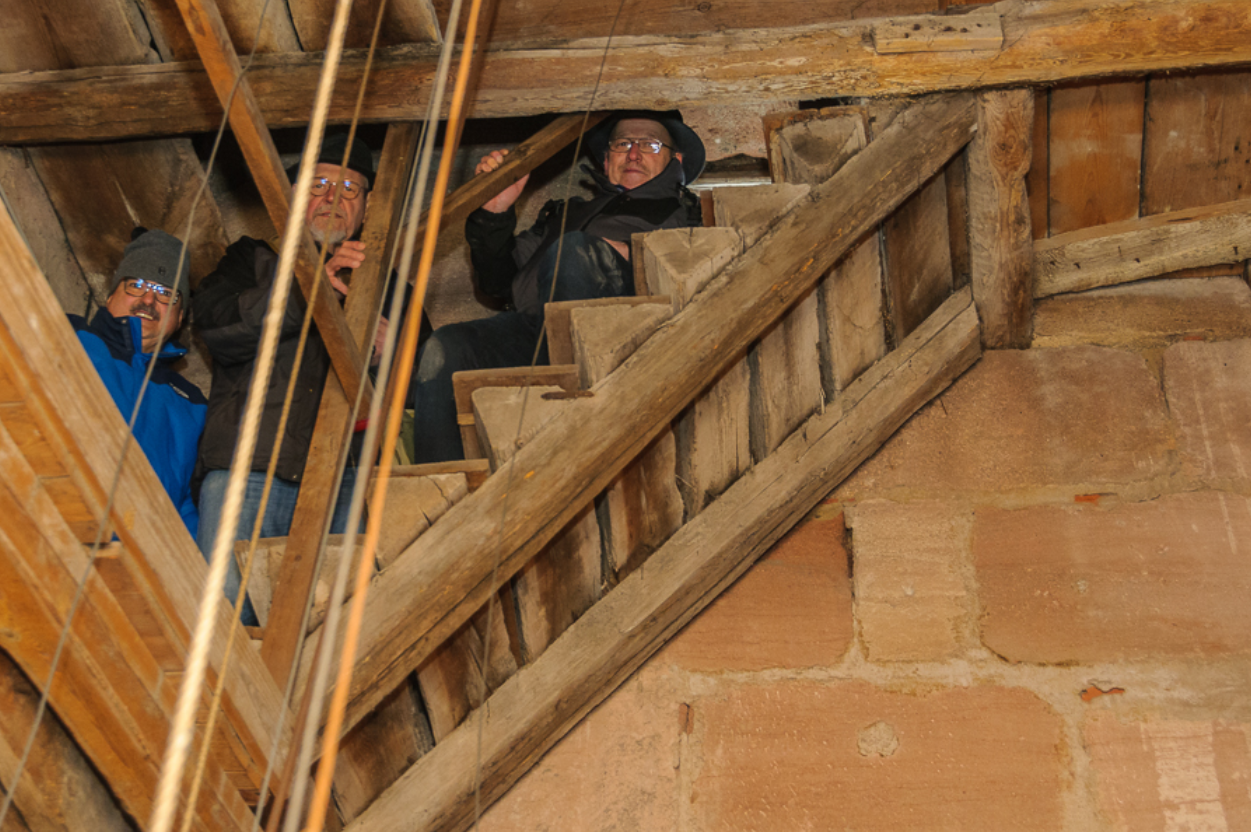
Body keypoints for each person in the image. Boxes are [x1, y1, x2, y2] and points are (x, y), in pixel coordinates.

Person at [193, 131, 426, 625]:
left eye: (349, 190)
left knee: (333, 628)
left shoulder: (391, 290)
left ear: (365, 211)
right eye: (318, 184)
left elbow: (421, 390)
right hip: (251, 468)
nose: (332, 199)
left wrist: (392, 354)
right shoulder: (250, 261)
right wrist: (311, 291)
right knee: (227, 620)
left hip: (348, 479)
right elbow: (216, 327)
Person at [409, 110, 706, 462]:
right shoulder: (565, 215)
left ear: (677, 159)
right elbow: (498, 282)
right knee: (446, 346)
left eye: (650, 144)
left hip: (627, 339)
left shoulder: (687, 212)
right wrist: (495, 214)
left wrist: (627, 255)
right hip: (539, 333)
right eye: (623, 143)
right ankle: (445, 485)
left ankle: (570, 413)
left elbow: (689, 278)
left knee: (575, 250)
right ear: (607, 157)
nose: (634, 154)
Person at [70, 228, 206, 538]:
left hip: (130, 564)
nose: (148, 299)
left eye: (166, 294)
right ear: (110, 296)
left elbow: (184, 504)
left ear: (180, 317)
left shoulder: (191, 402)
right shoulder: (68, 335)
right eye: (137, 285)